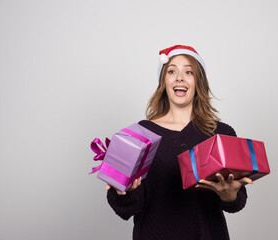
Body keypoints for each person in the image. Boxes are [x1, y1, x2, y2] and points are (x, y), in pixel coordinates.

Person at [106, 45, 253, 240]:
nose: (180, 77)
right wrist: (123, 190)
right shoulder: (138, 135)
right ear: (164, 82)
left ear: (198, 81)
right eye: (172, 71)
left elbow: (237, 202)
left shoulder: (221, 134)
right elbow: (125, 210)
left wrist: (229, 196)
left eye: (189, 71)